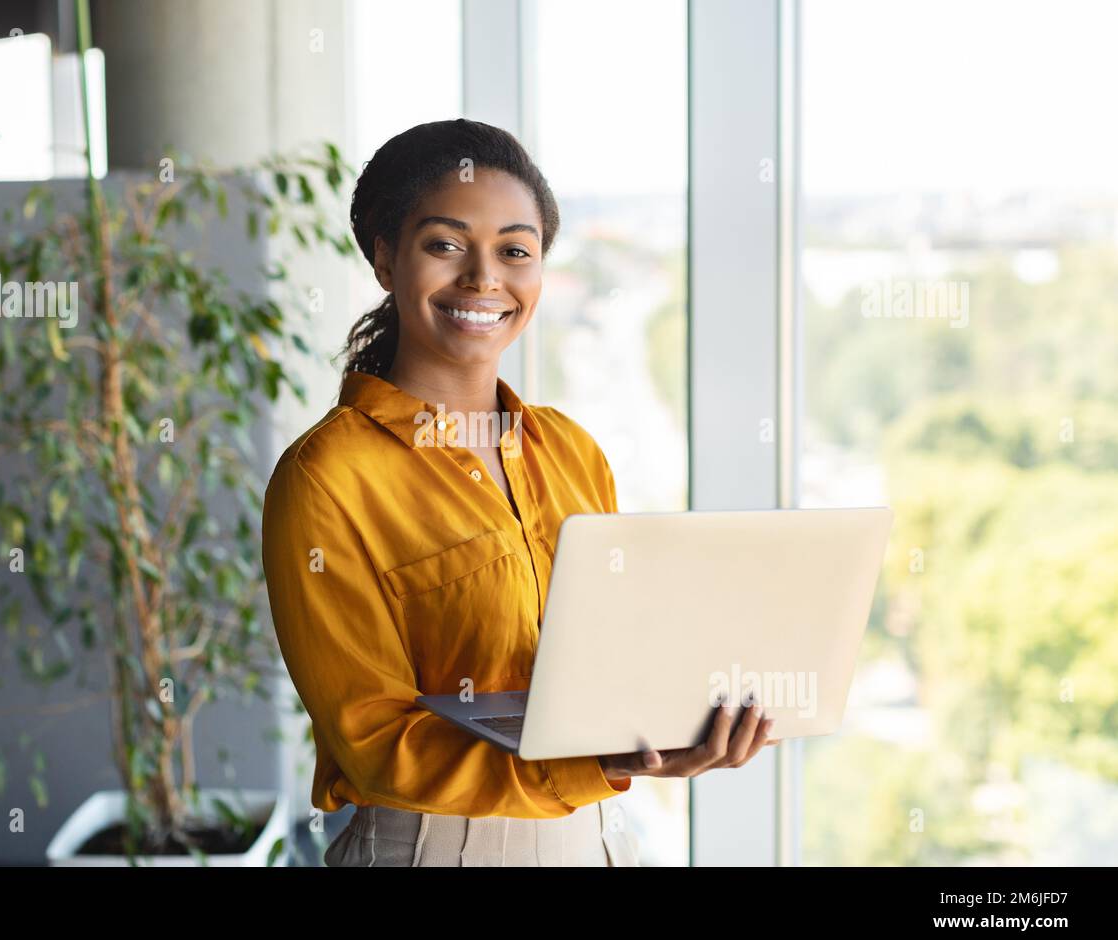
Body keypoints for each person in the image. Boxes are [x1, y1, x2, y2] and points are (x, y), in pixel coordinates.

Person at [261, 118, 780, 867]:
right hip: (433, 849)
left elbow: (614, 662)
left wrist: (689, 719)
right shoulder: (326, 477)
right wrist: (598, 766)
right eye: (444, 245)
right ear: (383, 258)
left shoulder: (572, 451)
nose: (483, 278)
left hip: (601, 842)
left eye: (515, 251)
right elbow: (372, 740)